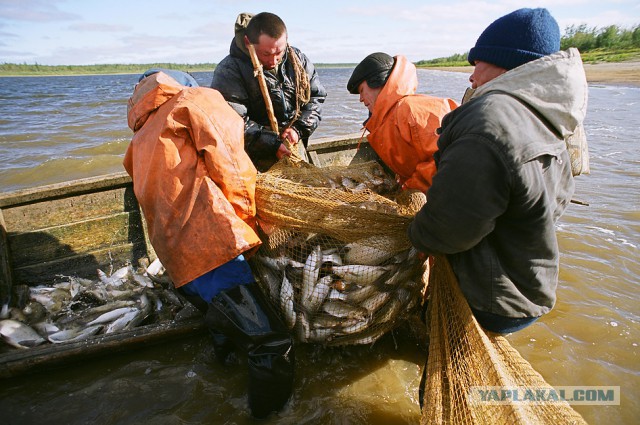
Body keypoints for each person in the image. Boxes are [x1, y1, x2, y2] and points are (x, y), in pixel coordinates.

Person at [123, 69, 294, 419]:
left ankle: (220, 392)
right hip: (211, 249)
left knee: (226, 327)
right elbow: (231, 166)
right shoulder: (194, 101)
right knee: (271, 344)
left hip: (178, 263)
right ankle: (269, 417)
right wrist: (249, 229)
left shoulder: (138, 141)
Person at [408, 8, 589, 334]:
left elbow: (450, 229)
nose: (471, 76)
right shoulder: (552, 112)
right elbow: (557, 199)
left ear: (505, 62)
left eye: (478, 63)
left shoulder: (489, 121)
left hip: (488, 298)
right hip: (529, 286)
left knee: (443, 369)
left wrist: (415, 236)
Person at [211, 12, 327, 171]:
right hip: (254, 158)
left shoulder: (298, 59)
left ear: (286, 40)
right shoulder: (229, 71)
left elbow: (316, 97)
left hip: (294, 145)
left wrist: (298, 129)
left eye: (279, 52)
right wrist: (272, 144)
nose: (273, 61)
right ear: (247, 42)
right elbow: (232, 121)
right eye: (266, 54)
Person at [347, 53, 458, 192]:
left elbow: (448, 158)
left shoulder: (410, 109)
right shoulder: (390, 116)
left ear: (377, 81)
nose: (361, 99)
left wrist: (411, 187)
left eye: (362, 91)